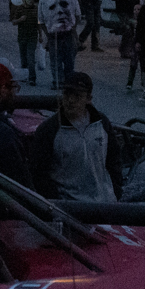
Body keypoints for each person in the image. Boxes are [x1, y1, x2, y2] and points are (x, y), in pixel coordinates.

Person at [31, 71, 124, 202]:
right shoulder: (49, 130)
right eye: (67, 94)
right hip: (69, 208)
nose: (71, 100)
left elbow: (114, 158)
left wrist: (115, 189)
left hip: (105, 203)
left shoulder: (102, 123)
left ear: (88, 99)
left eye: (77, 96)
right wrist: (56, 200)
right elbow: (39, 173)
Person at [37, 0, 81, 89]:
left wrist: (73, 29)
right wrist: (46, 34)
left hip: (68, 34)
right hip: (53, 36)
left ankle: (69, 81)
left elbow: (77, 14)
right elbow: (40, 19)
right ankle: (58, 81)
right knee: (55, 61)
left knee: (69, 60)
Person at [9, 0, 41, 85]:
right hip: (22, 37)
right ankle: (24, 75)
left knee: (30, 57)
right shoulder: (20, 9)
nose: (30, 0)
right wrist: (19, 20)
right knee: (23, 58)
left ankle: (32, 77)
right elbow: (13, 21)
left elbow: (39, 23)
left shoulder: (36, 9)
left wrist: (41, 35)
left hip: (32, 37)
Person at [113, 0, 140, 90]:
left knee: (131, 30)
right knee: (127, 29)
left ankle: (126, 48)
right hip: (122, 10)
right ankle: (124, 50)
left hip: (131, 10)